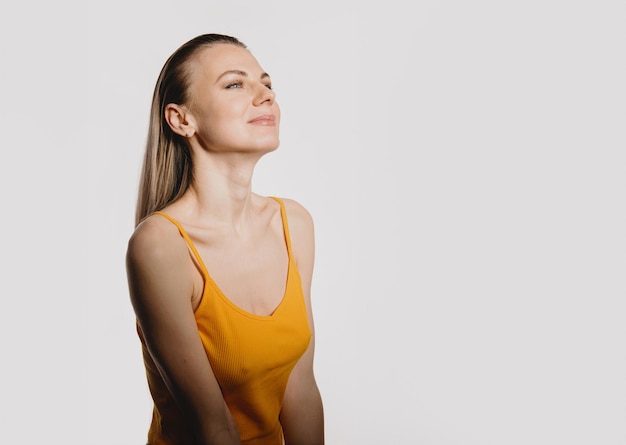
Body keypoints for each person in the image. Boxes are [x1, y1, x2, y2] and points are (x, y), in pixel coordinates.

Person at [125, 33, 324, 445]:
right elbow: (213, 427)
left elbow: (300, 388)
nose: (264, 95)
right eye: (236, 84)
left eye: (267, 84)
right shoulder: (161, 246)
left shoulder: (293, 224)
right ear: (182, 119)